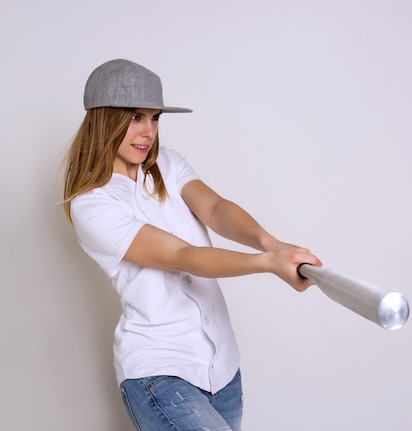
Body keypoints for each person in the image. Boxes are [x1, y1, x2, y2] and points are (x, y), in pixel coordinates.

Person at [62, 58, 322, 431]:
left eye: (155, 118)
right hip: (159, 374)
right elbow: (180, 256)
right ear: (105, 119)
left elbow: (215, 209)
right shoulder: (92, 203)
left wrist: (272, 244)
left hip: (223, 369)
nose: (148, 131)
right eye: (136, 117)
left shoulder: (167, 165)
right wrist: (267, 263)